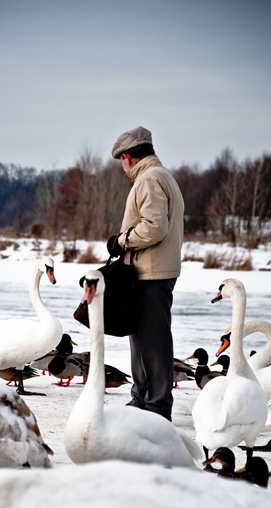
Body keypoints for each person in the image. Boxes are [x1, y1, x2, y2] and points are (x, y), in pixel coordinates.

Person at [108, 125, 184, 421]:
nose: (123, 168)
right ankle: (141, 400)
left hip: (153, 272)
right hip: (150, 270)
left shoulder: (149, 179)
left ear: (127, 156)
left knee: (153, 341)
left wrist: (121, 240)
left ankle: (157, 407)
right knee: (141, 337)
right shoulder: (162, 176)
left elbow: (155, 227)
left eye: (122, 162)